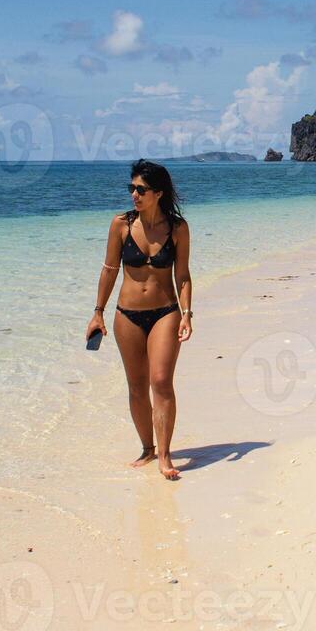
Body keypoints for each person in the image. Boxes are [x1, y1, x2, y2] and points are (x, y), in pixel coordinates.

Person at [85, 159, 193, 480]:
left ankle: (164, 455)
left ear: (158, 193)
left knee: (160, 381)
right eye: (131, 188)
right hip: (126, 316)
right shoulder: (120, 224)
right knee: (136, 387)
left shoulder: (177, 228)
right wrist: (97, 313)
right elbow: (109, 270)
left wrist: (187, 314)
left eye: (141, 189)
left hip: (166, 313)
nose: (134, 194)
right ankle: (147, 448)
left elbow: (183, 275)